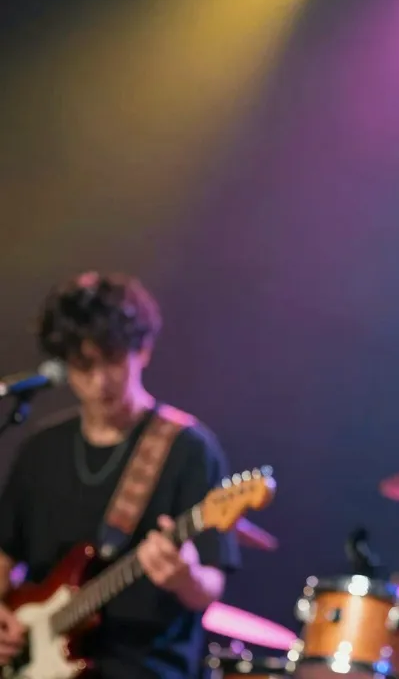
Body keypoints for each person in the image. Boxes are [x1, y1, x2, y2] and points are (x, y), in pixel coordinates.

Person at [0, 271, 241, 678]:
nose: (100, 381)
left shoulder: (188, 449)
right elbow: (4, 554)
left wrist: (184, 577)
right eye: (83, 365)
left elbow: (209, 587)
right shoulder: (41, 449)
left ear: (142, 349)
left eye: (113, 359)